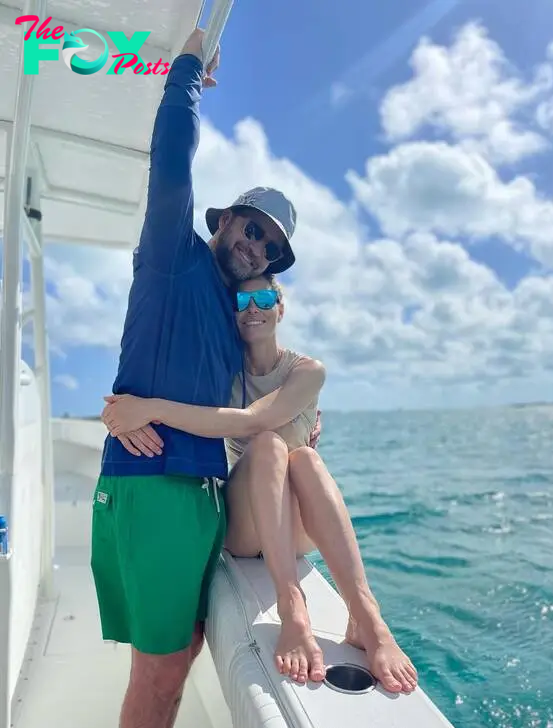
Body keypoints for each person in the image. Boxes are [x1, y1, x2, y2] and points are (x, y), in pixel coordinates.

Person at [90, 27, 318, 728]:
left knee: (180, 657)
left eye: (269, 246)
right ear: (224, 222)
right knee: (158, 674)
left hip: (200, 498)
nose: (254, 244)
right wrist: (187, 68)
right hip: (154, 486)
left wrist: (297, 424)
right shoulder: (173, 256)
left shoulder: (231, 316)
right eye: (249, 228)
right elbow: (172, 160)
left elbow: (250, 407)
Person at [101, 274, 419, 695]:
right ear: (232, 312)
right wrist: (126, 413)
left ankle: (367, 618)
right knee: (270, 447)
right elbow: (199, 408)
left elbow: (254, 420)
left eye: (265, 297)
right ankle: (293, 608)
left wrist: (153, 408)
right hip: (248, 528)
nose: (253, 307)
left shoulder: (307, 372)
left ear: (280, 308)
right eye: (242, 300)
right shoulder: (223, 378)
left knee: (303, 456)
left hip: (296, 529)